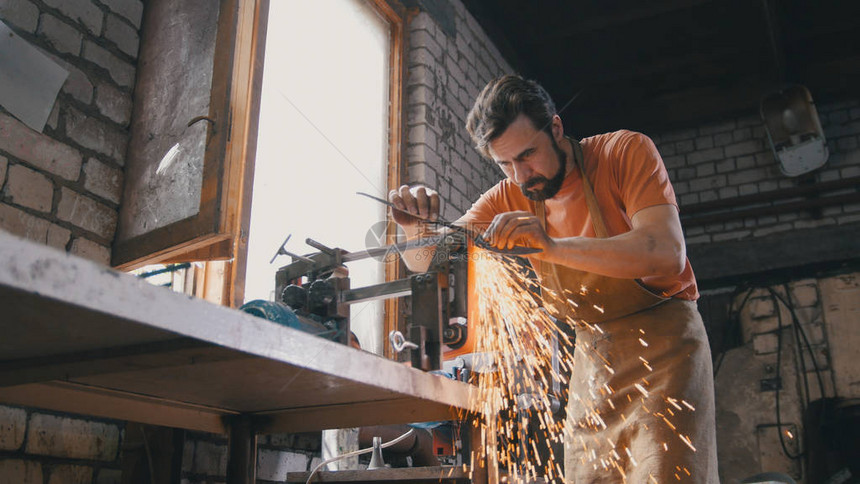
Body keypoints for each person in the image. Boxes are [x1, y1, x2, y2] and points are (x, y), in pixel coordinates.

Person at [388, 75, 718, 482]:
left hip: (665, 351)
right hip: (594, 363)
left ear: (556, 128)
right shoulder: (508, 193)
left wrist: (552, 247)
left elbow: (666, 252)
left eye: (527, 155)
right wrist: (413, 231)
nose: (521, 176)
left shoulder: (623, 152)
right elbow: (428, 261)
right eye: (504, 163)